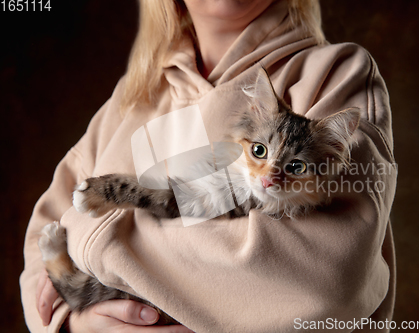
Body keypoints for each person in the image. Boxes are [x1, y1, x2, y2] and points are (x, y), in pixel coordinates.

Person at [20, 0, 397, 332]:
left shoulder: (337, 71)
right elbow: (42, 243)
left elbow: (325, 279)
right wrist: (74, 324)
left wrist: (91, 238)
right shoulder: (132, 94)